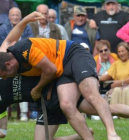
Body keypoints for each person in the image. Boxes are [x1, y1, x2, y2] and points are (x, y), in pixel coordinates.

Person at [0, 11, 121, 140]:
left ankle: (112, 134)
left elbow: (50, 69)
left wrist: (26, 19)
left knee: (90, 93)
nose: (5, 78)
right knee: (66, 105)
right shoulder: (5, 59)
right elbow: (9, 40)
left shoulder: (23, 50)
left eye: (4, 75)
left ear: (8, 65)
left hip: (72, 54)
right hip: (60, 71)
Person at [1, 75, 129, 139]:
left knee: (105, 109)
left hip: (56, 93)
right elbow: (3, 132)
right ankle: (80, 135)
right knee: (107, 109)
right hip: (51, 99)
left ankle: (81, 134)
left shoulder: (6, 67)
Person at [0, 7, 34, 121]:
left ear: (20, 17)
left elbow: (31, 42)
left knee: (21, 88)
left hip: (23, 60)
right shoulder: (3, 28)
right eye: (13, 15)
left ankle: (24, 114)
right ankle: (4, 119)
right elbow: (4, 45)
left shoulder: (27, 27)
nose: (15, 17)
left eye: (17, 15)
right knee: (8, 88)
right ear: (9, 16)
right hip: (7, 61)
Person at [99, 42, 129, 108]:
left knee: (127, 90)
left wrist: (121, 82)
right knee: (116, 90)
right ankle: (115, 114)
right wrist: (95, 79)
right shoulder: (117, 63)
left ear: (128, 51)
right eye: (119, 52)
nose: (121, 53)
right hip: (120, 87)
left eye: (122, 51)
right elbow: (107, 76)